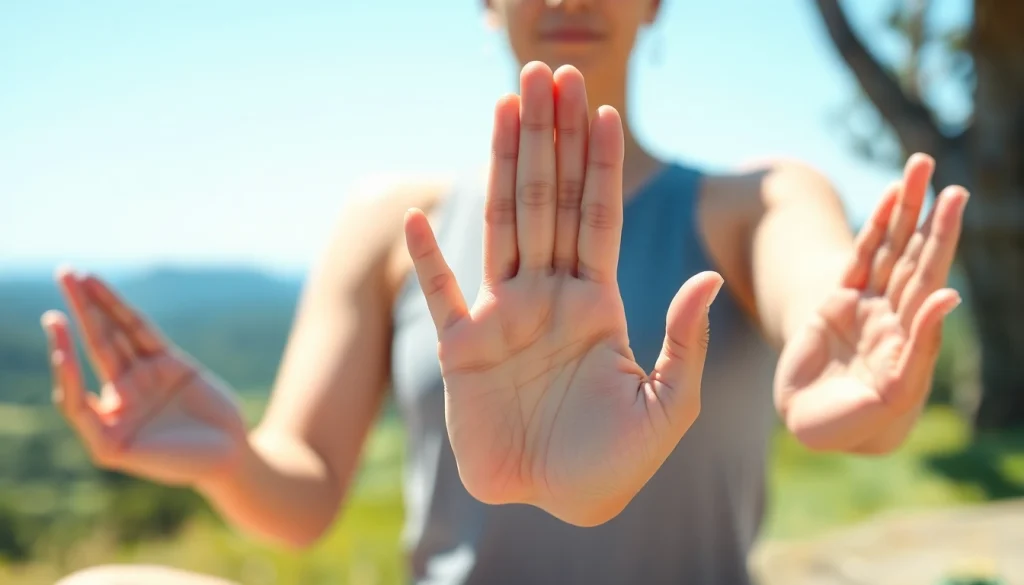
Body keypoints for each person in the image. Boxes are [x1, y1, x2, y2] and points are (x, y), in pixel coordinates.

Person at [44, 1, 969, 584]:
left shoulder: (758, 200)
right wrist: (227, 458)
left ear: (656, 6)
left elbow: (836, 349)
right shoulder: (391, 225)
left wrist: (867, 404)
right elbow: (302, 500)